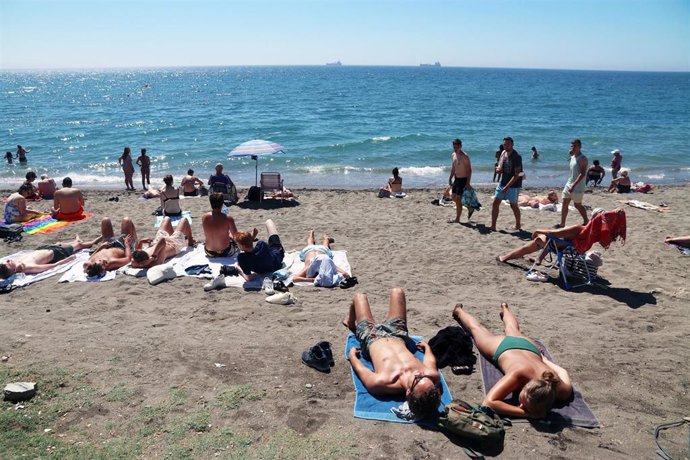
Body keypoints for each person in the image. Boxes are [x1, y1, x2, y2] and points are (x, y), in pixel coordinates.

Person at [452, 303, 572, 418]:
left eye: (523, 406)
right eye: (523, 404)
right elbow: (488, 403)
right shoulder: (518, 374)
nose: (520, 406)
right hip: (504, 348)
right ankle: (458, 311)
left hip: (530, 348)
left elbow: (562, 372)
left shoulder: (559, 386)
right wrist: (527, 413)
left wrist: (544, 360)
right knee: (476, 329)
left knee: (512, 328)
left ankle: (504, 307)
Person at [343, 288, 442, 419]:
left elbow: (360, 369)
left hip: (372, 337)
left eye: (418, 379)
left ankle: (350, 321)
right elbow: (430, 361)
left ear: (408, 392)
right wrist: (427, 349)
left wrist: (352, 356)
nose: (420, 373)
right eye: (425, 377)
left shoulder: (382, 382)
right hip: (398, 335)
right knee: (398, 291)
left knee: (359, 297)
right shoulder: (431, 376)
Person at [497, 208, 606, 264]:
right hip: (574, 250)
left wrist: (536, 230)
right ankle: (539, 258)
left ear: (592, 218)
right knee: (548, 237)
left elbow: (553, 234)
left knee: (540, 238)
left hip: (560, 246)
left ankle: (505, 257)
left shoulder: (578, 228)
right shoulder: (596, 234)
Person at [0, 234, 102, 280]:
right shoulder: (29, 267)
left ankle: (76, 240)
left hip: (44, 248)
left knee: (60, 243)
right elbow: (52, 266)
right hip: (57, 254)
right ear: (13, 270)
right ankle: (94, 241)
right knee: (78, 246)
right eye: (8, 262)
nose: (8, 260)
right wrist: (67, 260)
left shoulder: (17, 263)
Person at [490, 137, 523, 231]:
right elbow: (501, 167)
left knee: (513, 206)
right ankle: (493, 226)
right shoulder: (503, 153)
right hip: (502, 183)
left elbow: (517, 175)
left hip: (513, 185)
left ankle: (518, 225)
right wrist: (499, 170)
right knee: (495, 203)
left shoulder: (516, 157)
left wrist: (507, 187)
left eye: (508, 144)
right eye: (504, 144)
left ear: (512, 145)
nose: (506, 146)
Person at [558, 139, 589, 228]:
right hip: (569, 183)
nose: (573, 147)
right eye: (572, 146)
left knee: (577, 205)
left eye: (575, 146)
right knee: (564, 203)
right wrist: (571, 154)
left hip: (577, 186)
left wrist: (574, 185)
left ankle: (586, 220)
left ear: (580, 147)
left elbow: (582, 174)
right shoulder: (573, 157)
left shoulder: (583, 159)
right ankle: (562, 224)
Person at [202, 192, 239, 257]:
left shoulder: (204, 217)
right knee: (231, 235)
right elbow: (236, 237)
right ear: (222, 203)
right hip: (225, 251)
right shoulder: (228, 218)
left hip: (209, 252)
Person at [448, 139, 472, 224]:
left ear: (460, 146)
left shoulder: (464, 156)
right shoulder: (453, 155)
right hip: (456, 179)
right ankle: (469, 207)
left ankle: (457, 219)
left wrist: (468, 183)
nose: (455, 148)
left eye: (457, 147)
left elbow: (469, 170)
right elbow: (453, 167)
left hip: (463, 179)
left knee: (458, 200)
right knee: (453, 197)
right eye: (454, 147)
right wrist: (450, 178)